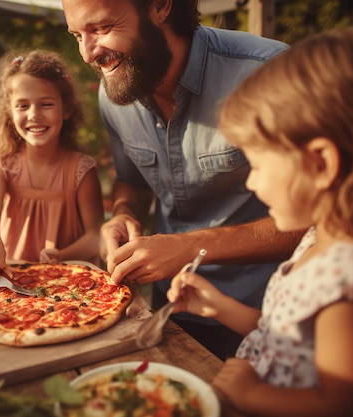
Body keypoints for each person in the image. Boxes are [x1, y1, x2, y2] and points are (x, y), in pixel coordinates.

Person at [167, 27, 353, 416]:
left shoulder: (349, 280)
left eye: (258, 165)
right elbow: (292, 342)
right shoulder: (320, 238)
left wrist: (250, 396)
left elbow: (343, 404)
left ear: (321, 164)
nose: (250, 180)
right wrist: (219, 307)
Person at [61, 0, 304, 359]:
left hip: (270, 314)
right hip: (170, 308)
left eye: (102, 28)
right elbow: (132, 181)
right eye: (78, 35)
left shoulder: (269, 74)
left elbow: (324, 223)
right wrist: (125, 214)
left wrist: (190, 247)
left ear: (160, 6)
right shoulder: (113, 93)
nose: (87, 53)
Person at [0, 49, 104, 280]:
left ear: (67, 109)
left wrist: (62, 254)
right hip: (13, 278)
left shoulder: (81, 170)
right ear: (10, 112)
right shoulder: (1, 162)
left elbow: (95, 237)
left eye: (46, 104)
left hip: (71, 281)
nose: (34, 114)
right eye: (22, 106)